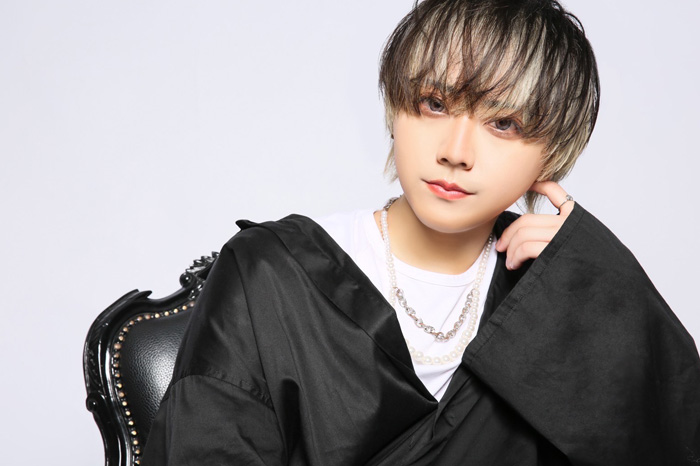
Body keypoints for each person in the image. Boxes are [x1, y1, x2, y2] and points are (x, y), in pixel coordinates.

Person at [142, 0, 700, 464]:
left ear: (551, 153)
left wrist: (606, 292)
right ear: (395, 108)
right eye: (434, 104)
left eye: (503, 123)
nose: (455, 152)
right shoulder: (272, 274)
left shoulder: (563, 294)